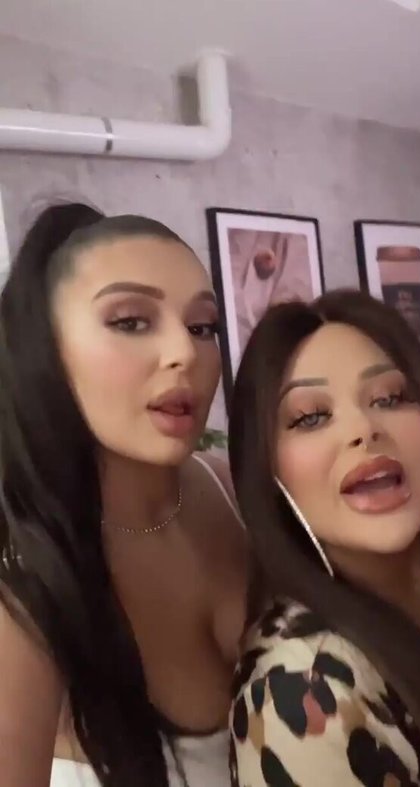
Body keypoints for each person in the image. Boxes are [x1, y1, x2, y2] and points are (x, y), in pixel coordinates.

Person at [0, 204, 247, 787]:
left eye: (203, 327)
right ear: (47, 350)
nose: (184, 352)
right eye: (132, 321)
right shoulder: (24, 582)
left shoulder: (232, 490)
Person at [228, 289, 420, 787]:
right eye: (311, 417)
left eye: (390, 398)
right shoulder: (302, 687)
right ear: (268, 475)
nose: (364, 428)